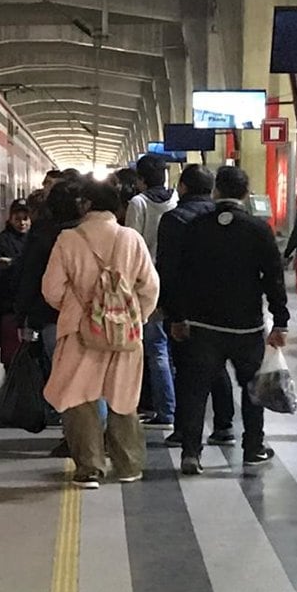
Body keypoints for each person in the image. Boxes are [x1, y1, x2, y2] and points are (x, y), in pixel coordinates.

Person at [171, 166, 289, 475]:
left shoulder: (196, 227)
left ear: (216, 191)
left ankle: (191, 453)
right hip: (246, 327)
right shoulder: (258, 229)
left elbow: (180, 276)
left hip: (202, 326)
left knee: (196, 390)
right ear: (246, 193)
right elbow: (273, 278)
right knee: (252, 389)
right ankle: (253, 448)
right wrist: (280, 320)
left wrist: (178, 317)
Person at [42, 180, 159, 488]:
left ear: (86, 205)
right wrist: (135, 316)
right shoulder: (131, 238)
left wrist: (76, 308)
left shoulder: (69, 239)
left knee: (78, 397)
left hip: (79, 331)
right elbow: (150, 287)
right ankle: (129, 466)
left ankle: (89, 469)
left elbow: (51, 289)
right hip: (125, 334)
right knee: (123, 398)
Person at [155, 164, 237, 447]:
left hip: (185, 305)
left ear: (183, 187)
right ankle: (224, 425)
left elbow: (167, 268)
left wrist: (167, 306)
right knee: (218, 366)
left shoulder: (173, 219)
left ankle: (184, 430)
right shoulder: (223, 218)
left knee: (186, 370)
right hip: (220, 304)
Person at [13, 179, 84, 431]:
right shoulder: (92, 233)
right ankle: (90, 434)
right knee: (90, 378)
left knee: (63, 374)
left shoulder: (43, 235)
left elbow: (31, 278)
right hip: (95, 317)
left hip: (52, 318)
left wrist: (23, 316)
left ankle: (74, 434)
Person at [124, 154, 178, 429]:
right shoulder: (176, 199)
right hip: (174, 279)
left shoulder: (138, 203)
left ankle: (165, 409)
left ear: (140, 179)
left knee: (156, 346)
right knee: (170, 347)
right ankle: (170, 406)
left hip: (146, 281)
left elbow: (131, 244)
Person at [0, 198, 32, 365]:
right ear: (10, 218)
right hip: (10, 311)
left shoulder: (34, 239)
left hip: (27, 311)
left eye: (25, 219)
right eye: (17, 219)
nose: (22, 223)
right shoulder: (1, 243)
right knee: (13, 359)